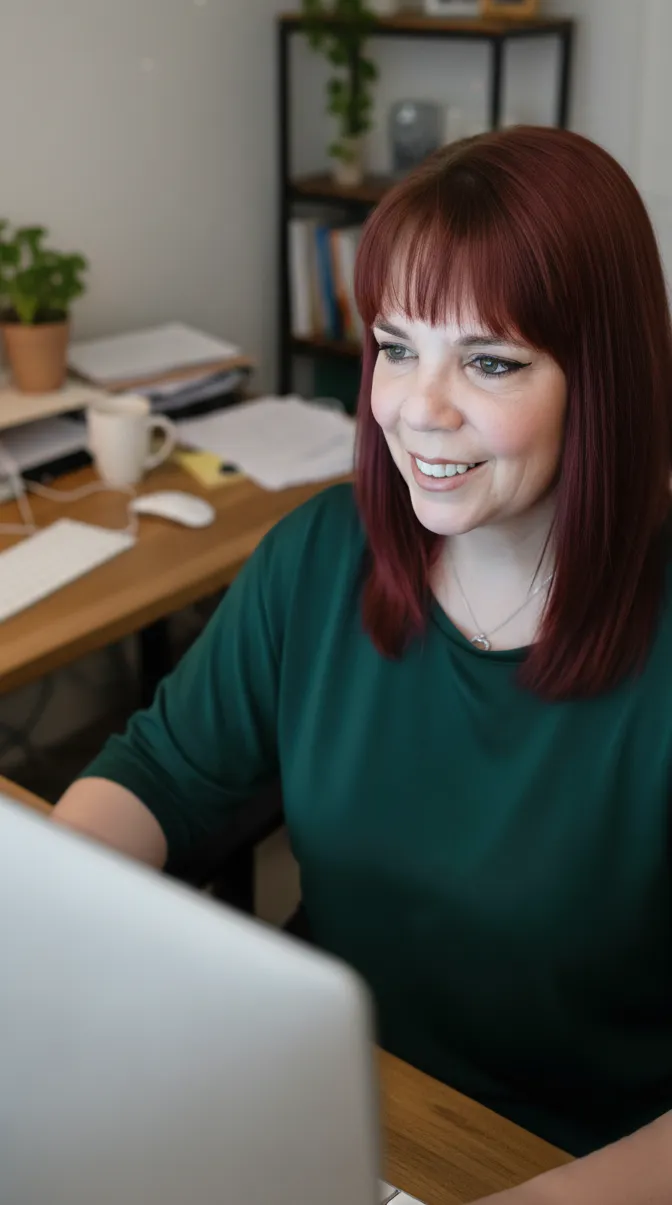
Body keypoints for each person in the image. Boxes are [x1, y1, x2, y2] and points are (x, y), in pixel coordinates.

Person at [53, 126, 672, 1203]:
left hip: (565, 1165)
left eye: (490, 360)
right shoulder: (321, 552)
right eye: (396, 345)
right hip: (318, 1114)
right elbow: (157, 776)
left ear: (603, 377)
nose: (417, 407)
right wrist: (36, 912)